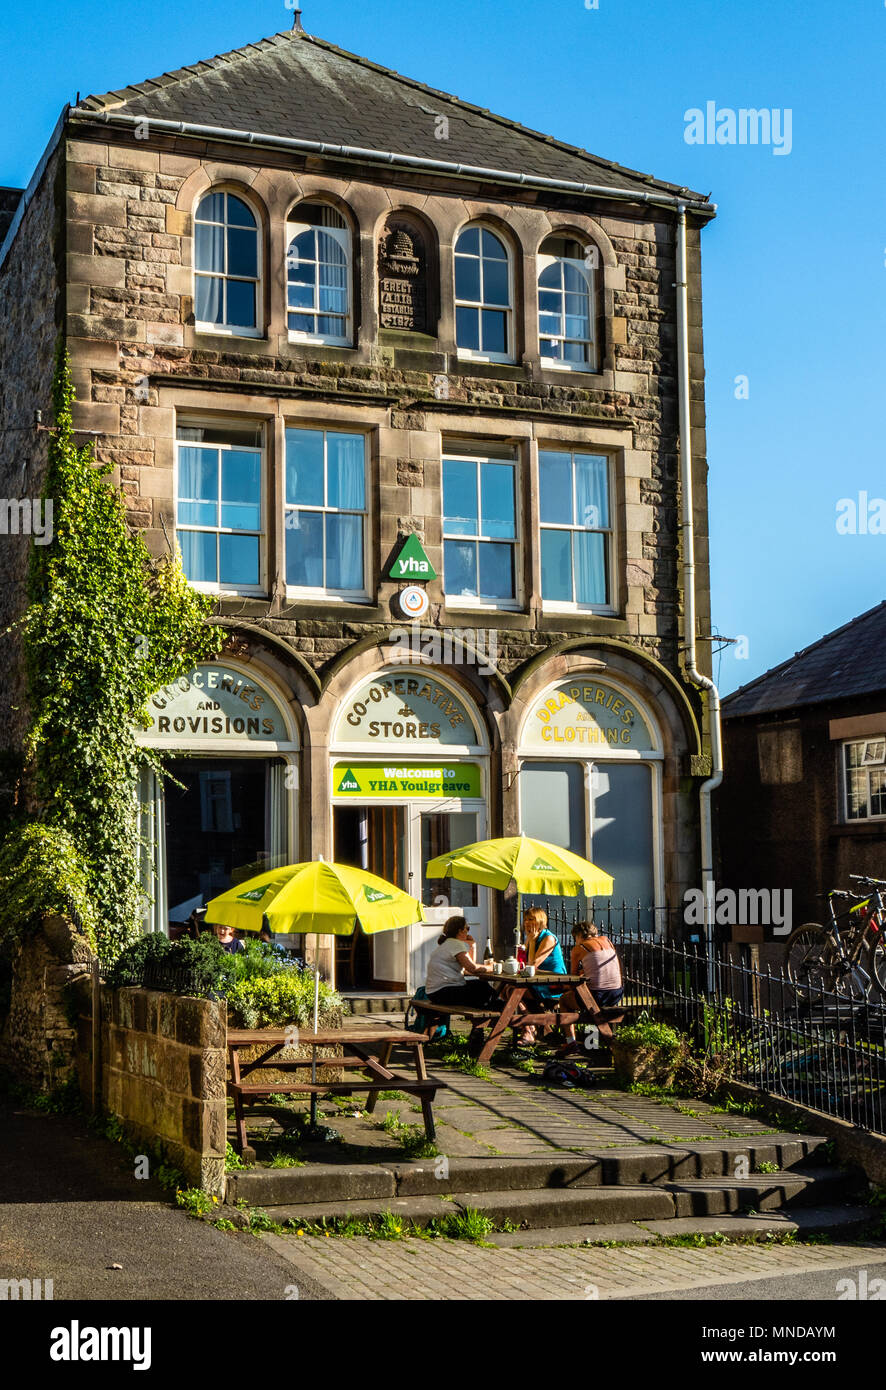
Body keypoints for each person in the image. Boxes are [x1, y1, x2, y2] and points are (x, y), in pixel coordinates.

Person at [560, 921, 624, 1046]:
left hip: (597, 995)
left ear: (578, 936)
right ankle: (592, 1044)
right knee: (589, 1004)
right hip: (617, 993)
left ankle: (571, 1042)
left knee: (564, 1000)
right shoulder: (607, 941)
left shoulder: (579, 948)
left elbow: (573, 978)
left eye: (575, 938)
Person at [425, 915, 496, 1007]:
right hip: (443, 992)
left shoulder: (446, 944)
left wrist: (472, 946)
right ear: (460, 930)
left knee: (480, 986)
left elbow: (467, 969)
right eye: (467, 928)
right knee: (482, 988)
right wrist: (493, 967)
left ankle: (492, 1012)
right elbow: (472, 968)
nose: (468, 931)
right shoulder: (456, 944)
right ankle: (500, 1013)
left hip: (434, 993)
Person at [520, 907, 567, 1044]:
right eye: (526, 919)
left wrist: (532, 942)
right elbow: (525, 964)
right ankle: (537, 1028)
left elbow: (532, 965)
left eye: (531, 919)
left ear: (540, 921)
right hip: (538, 982)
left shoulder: (548, 938)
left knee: (517, 992)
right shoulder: (530, 937)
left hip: (553, 984)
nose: (527, 923)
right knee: (508, 990)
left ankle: (531, 1029)